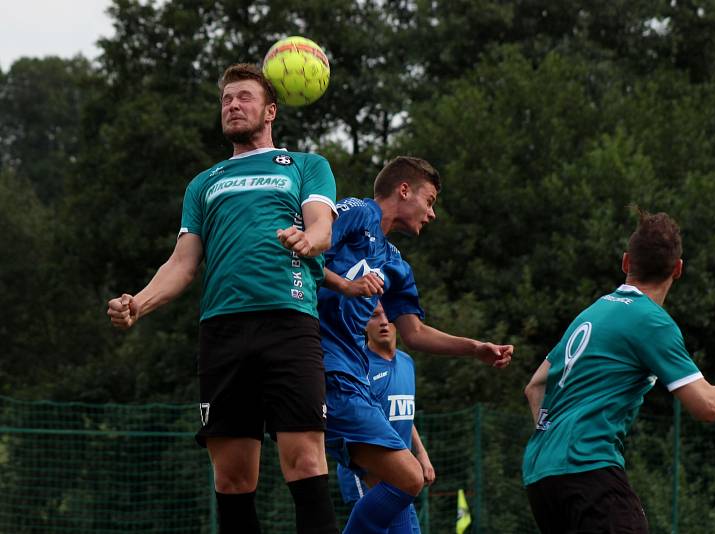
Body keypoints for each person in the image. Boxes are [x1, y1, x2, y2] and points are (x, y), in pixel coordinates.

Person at [106, 63, 339, 534]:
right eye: (227, 99)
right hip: (223, 331)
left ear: (270, 110)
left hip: (288, 323)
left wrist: (308, 240)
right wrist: (139, 303)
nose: (233, 105)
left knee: (306, 461)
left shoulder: (305, 165)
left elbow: (321, 224)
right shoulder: (204, 183)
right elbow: (182, 262)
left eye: (244, 97)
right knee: (232, 480)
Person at [521, 208, 715, 534]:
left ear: (625, 262)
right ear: (678, 269)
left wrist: (557, 440)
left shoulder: (594, 311)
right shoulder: (650, 320)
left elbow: (535, 386)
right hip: (588, 471)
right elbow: (708, 406)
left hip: (541, 476)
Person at [317, 155, 514, 533]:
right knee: (408, 478)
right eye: (430, 200)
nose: (432, 213)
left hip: (349, 377)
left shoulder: (394, 263)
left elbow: (416, 333)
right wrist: (345, 285)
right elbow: (305, 254)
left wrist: (476, 348)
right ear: (404, 190)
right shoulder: (358, 212)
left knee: (404, 492)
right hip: (327, 368)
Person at [336, 302, 435, 533]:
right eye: (373, 316)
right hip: (367, 471)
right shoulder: (357, 365)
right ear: (363, 324)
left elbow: (403, 414)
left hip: (400, 471)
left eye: (389, 316)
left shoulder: (407, 363)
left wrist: (421, 454)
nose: (383, 322)